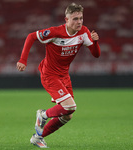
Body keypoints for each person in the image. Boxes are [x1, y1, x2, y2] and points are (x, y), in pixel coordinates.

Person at [16, 2, 101, 148]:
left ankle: (37, 137)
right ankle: (43, 114)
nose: (79, 22)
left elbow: (96, 54)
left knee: (68, 115)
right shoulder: (55, 32)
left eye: (81, 18)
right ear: (66, 20)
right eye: (75, 19)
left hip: (64, 76)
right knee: (70, 106)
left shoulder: (84, 32)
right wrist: (23, 60)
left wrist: (95, 42)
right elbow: (31, 37)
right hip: (49, 74)